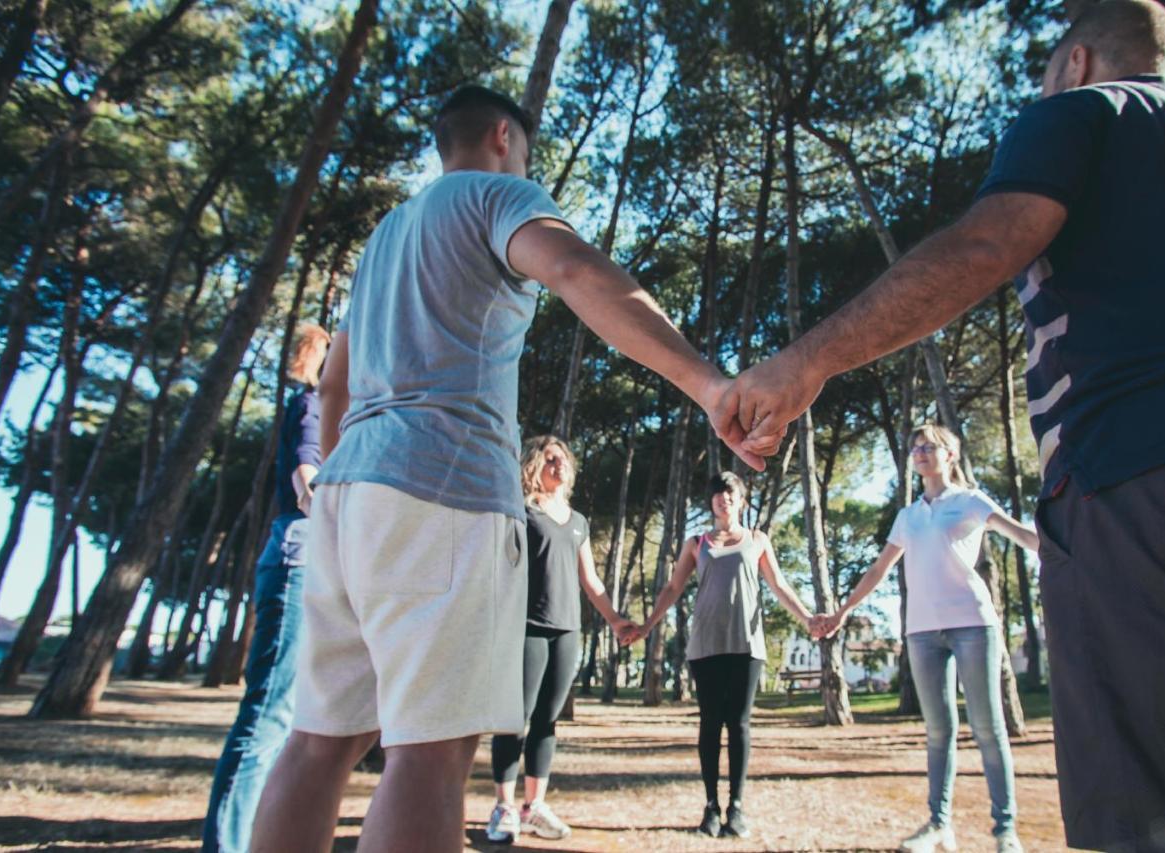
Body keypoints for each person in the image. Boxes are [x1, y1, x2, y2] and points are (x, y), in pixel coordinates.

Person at [729, 2, 1165, 849]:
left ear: (1077, 61)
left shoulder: (1084, 112)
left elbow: (985, 247)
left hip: (1144, 478)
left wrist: (808, 362)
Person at [249, 85, 761, 853]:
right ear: (501, 136)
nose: (530, 167)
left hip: (347, 496)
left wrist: (333, 477)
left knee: (319, 743)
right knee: (431, 752)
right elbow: (577, 270)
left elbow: (334, 386)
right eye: (526, 151)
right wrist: (707, 383)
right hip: (441, 494)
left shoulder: (387, 236)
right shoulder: (499, 194)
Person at [820, 425, 1036, 853]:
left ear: (951, 455)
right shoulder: (908, 515)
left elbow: (1023, 536)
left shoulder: (970, 501)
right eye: (915, 447)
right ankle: (939, 825)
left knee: (988, 729)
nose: (919, 452)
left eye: (929, 446)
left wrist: (1072, 543)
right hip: (921, 632)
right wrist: (841, 613)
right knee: (939, 731)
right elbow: (879, 570)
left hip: (973, 624)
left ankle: (1005, 831)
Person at [633, 471, 827, 839]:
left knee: (738, 724)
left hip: (746, 645)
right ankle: (710, 807)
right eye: (718, 494)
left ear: (741, 500)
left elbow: (780, 585)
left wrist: (806, 619)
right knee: (710, 724)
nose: (724, 498)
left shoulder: (757, 539)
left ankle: (736, 807)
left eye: (731, 492)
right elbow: (674, 587)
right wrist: (647, 626)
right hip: (705, 645)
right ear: (711, 502)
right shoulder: (697, 543)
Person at [202, 323, 331, 852]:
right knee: (268, 716)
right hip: (299, 559)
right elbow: (307, 483)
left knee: (292, 718)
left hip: (311, 563)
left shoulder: (322, 406)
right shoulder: (314, 405)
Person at [485, 435, 642, 843]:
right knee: (513, 718)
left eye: (564, 461)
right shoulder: (520, 512)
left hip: (566, 630)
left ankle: (534, 806)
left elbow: (590, 581)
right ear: (534, 465)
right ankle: (503, 807)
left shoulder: (577, 521)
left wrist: (616, 621)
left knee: (547, 721)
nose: (559, 466)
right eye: (551, 460)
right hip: (526, 628)